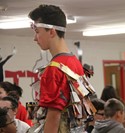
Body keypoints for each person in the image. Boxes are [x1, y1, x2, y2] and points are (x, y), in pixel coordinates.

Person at [28, 4, 85, 133]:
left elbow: (53, 117)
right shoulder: (75, 62)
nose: (35, 38)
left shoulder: (53, 70)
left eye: (37, 32)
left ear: (52, 32)